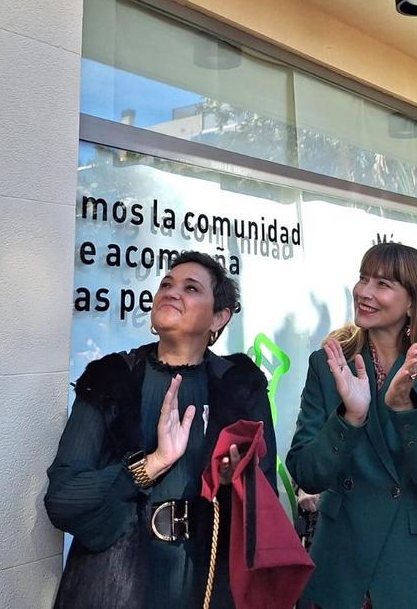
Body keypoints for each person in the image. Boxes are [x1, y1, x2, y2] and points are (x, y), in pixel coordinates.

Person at [44, 251, 276, 609]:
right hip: (115, 581)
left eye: (191, 287)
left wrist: (236, 481)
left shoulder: (241, 387)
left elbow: (265, 505)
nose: (171, 291)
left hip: (208, 582)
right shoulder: (111, 378)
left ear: (219, 317)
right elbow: (62, 497)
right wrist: (150, 465)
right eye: (166, 283)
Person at [287, 242, 417, 608]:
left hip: (416, 569)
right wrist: (349, 418)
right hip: (341, 563)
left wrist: (406, 411)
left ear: (413, 302)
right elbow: (307, 473)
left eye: (383, 284)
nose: (364, 292)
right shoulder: (327, 366)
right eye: (363, 278)